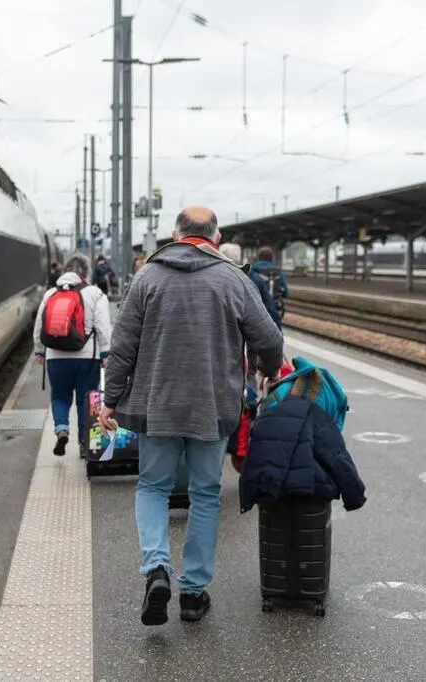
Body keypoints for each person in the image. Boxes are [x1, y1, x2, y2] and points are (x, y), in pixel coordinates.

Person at [99, 206, 283, 626]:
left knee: (152, 488)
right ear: (215, 238)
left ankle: (157, 569)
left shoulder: (147, 276)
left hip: (157, 407)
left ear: (175, 235)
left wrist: (110, 400)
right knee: (204, 494)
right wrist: (267, 370)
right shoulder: (234, 279)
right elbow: (270, 340)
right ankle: (193, 593)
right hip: (213, 407)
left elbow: (123, 346)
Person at [34, 253, 112, 457]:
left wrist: (39, 350)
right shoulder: (95, 293)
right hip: (88, 358)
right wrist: (105, 352)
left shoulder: (50, 294)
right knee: (86, 400)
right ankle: (85, 444)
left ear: (64, 271)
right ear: (86, 272)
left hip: (55, 357)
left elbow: (39, 326)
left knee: (59, 395)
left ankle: (61, 429)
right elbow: (103, 326)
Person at [251, 246, 288, 319]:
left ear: (258, 257)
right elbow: (285, 292)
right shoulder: (279, 272)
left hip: (256, 310)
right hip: (274, 310)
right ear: (272, 258)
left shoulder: (252, 271)